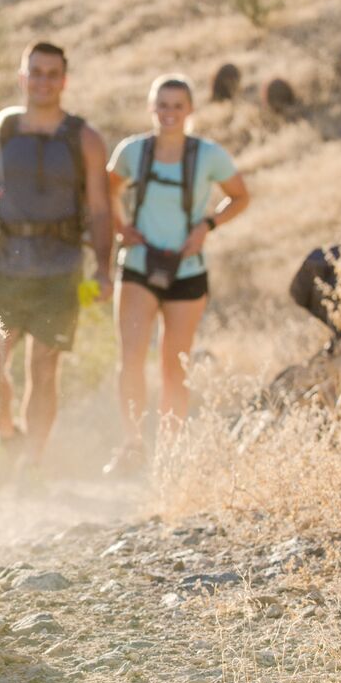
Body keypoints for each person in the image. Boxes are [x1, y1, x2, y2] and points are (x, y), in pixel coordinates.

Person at [0, 41, 114, 467]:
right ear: (22, 77)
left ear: (64, 80)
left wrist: (104, 268)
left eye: (52, 73)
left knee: (45, 368)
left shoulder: (85, 139)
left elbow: (100, 208)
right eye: (35, 72)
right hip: (3, 265)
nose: (43, 81)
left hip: (61, 269)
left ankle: (33, 465)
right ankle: (8, 432)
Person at [105, 73, 251, 472]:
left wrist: (207, 226)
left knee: (175, 364)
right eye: (162, 105)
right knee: (131, 358)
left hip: (187, 271)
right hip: (138, 266)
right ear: (152, 108)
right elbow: (107, 190)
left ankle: (169, 454)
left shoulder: (209, 156)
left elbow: (240, 197)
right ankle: (133, 445)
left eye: (177, 106)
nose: (169, 113)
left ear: (190, 111)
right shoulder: (132, 152)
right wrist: (121, 227)